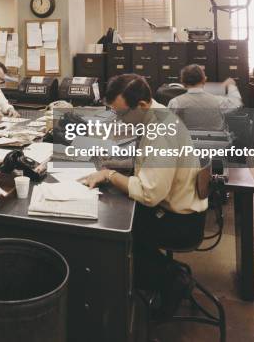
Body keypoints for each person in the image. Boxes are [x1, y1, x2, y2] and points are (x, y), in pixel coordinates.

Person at [81, 74, 207, 317]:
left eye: (121, 114)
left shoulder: (160, 132)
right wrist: (115, 164)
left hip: (179, 222)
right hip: (179, 208)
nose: (118, 119)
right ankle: (166, 270)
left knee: (110, 234)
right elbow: (149, 163)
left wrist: (109, 175)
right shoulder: (157, 115)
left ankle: (170, 279)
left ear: (142, 105)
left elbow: (149, 193)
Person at [168, 64, 243, 131]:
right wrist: (231, 85)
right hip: (215, 144)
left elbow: (169, 127)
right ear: (204, 80)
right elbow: (237, 103)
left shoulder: (175, 102)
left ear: (182, 82)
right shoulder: (217, 101)